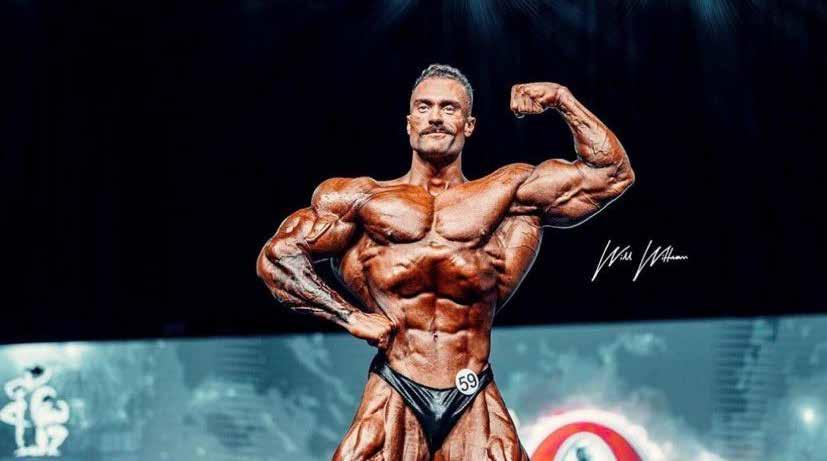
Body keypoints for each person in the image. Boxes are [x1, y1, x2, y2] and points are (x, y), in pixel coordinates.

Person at [257, 64, 635, 460]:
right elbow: (278, 258)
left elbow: (612, 175)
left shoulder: (507, 194)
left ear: (469, 125)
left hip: (471, 386)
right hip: (396, 381)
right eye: (424, 107)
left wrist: (561, 98)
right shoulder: (362, 201)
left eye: (449, 108)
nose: (436, 116)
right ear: (409, 123)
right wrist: (348, 316)